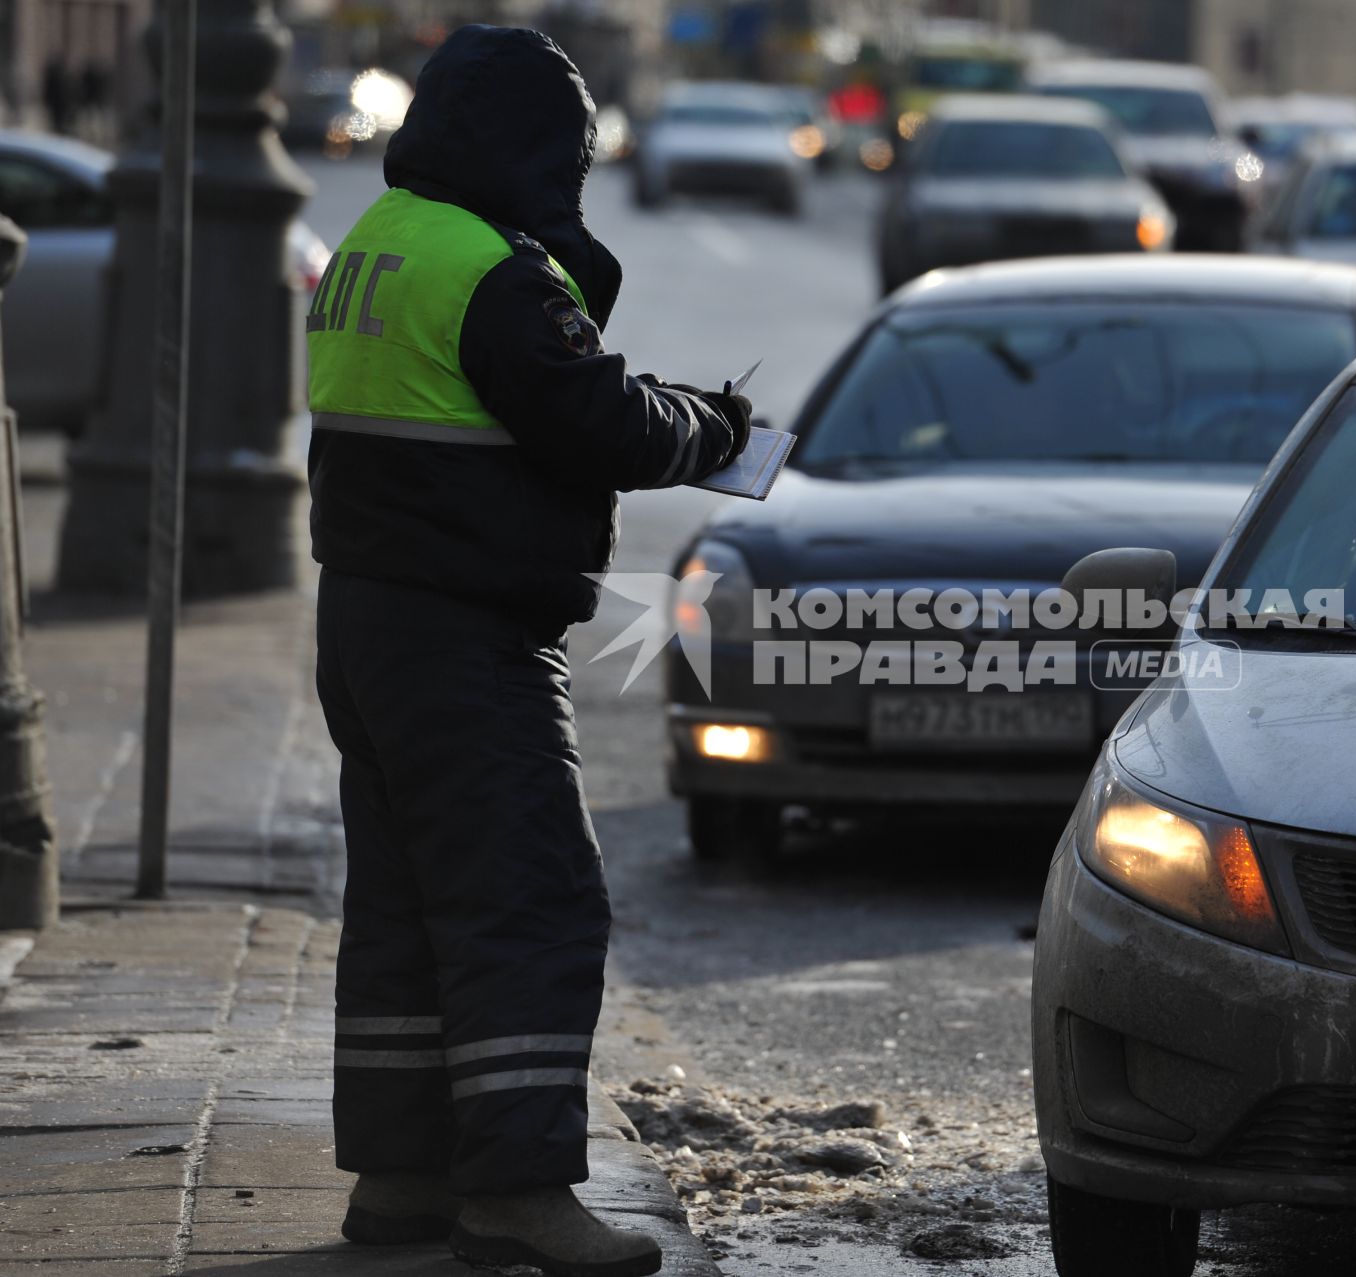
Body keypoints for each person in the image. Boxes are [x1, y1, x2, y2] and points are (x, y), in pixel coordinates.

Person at [304, 26, 750, 1277]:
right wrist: (711, 427)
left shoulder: (371, 244)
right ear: (531, 147)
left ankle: (400, 1176)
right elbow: (594, 419)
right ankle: (518, 1189)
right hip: (466, 631)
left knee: (405, 901)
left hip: (366, 616)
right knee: (531, 897)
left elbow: (502, 401)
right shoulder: (493, 268)